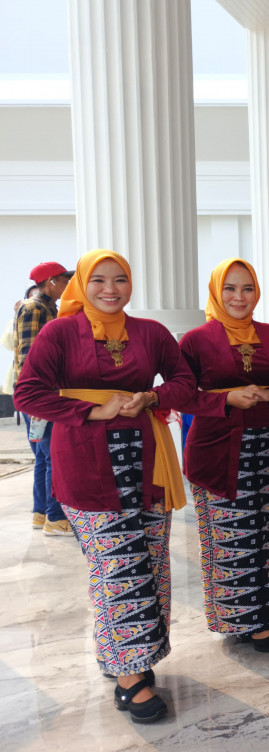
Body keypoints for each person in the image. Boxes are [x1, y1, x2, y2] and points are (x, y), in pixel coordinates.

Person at [13, 250, 195, 723]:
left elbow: (185, 383)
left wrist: (152, 396)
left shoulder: (150, 333)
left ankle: (124, 656)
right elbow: (27, 392)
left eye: (120, 279)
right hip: (87, 464)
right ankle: (131, 679)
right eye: (99, 280)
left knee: (150, 564)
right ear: (81, 284)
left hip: (147, 462)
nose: (110, 289)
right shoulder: (60, 332)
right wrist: (94, 409)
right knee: (117, 569)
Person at [179, 259, 269, 654]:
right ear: (216, 291)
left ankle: (267, 610)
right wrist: (224, 397)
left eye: (247, 288)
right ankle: (245, 621)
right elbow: (181, 394)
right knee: (233, 536)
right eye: (230, 288)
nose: (239, 297)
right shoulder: (196, 341)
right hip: (218, 451)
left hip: (268, 447)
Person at [14, 262, 73, 535]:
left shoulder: (48, 308)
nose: (67, 285)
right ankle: (55, 517)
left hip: (42, 393)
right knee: (51, 456)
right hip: (41, 393)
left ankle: (41, 513)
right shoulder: (35, 308)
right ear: (51, 281)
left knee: (43, 457)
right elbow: (29, 355)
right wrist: (39, 396)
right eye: (64, 280)